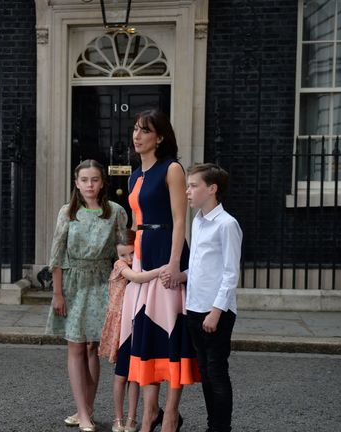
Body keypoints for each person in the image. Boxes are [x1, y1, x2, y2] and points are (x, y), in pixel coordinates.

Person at [115, 109, 199, 432]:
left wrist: (176, 263)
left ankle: (171, 415)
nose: (137, 135)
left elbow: (180, 220)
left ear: (160, 137)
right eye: (135, 129)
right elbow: (136, 224)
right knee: (146, 334)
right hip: (143, 254)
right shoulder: (135, 175)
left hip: (167, 250)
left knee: (170, 332)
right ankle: (150, 413)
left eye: (144, 131)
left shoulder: (172, 169)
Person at [47, 159, 127, 432]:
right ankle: (82, 413)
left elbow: (123, 250)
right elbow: (56, 256)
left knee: (93, 347)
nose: (90, 185)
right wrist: (57, 293)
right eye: (84, 180)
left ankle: (87, 409)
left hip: (102, 282)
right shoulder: (67, 213)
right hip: (73, 284)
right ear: (76, 183)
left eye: (94, 179)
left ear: (102, 182)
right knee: (76, 346)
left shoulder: (115, 211)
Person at [176, 163, 242, 432]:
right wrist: (181, 276)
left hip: (215, 312)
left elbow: (230, 273)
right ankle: (212, 424)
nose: (187, 192)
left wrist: (216, 312)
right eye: (187, 186)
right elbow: (202, 264)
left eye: (193, 186)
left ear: (211, 189)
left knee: (216, 373)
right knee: (205, 372)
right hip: (195, 307)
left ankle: (220, 428)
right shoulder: (198, 221)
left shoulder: (227, 225)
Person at [98, 229, 141, 432]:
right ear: (117, 255)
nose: (129, 258)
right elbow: (135, 277)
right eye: (123, 254)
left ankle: (132, 418)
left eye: (132, 253)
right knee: (121, 374)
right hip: (122, 328)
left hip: (136, 324)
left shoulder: (138, 264)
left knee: (134, 375)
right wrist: (162, 271)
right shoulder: (121, 266)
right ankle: (118, 418)